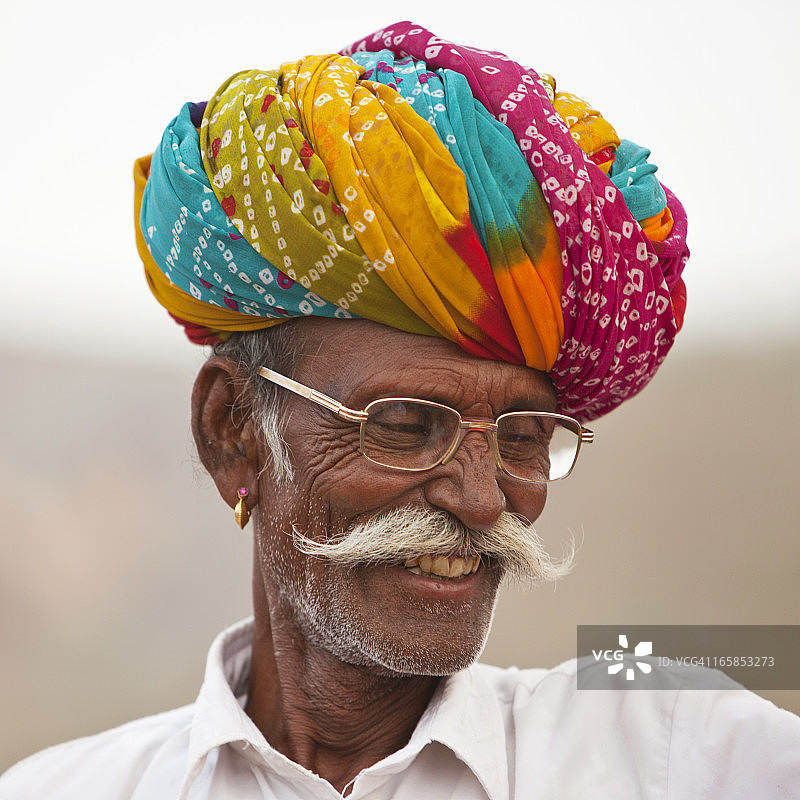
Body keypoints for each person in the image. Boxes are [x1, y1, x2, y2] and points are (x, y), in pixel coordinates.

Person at [2, 20, 798, 800]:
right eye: (406, 425)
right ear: (233, 432)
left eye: (522, 438)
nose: (484, 501)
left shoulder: (680, 756)